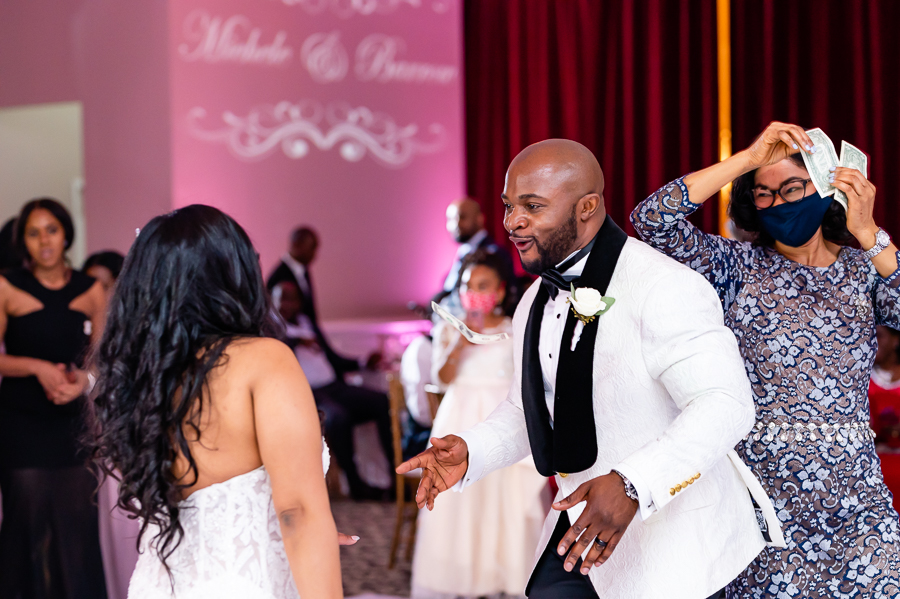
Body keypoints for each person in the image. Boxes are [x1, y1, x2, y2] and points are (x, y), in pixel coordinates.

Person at [399, 139, 779, 599]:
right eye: (508, 206)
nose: (512, 222)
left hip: (674, 546)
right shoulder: (532, 303)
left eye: (532, 206)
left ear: (588, 207)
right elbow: (528, 410)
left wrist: (632, 484)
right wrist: (472, 451)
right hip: (578, 533)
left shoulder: (663, 286)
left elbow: (726, 405)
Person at [630, 122, 900, 597]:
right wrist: (748, 159)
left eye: (791, 188)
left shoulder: (864, 269)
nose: (778, 203)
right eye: (763, 194)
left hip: (858, 499)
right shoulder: (734, 266)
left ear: (823, 186)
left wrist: (869, 232)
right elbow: (652, 220)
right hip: (763, 503)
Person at [88, 205, 344, 598]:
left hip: (161, 583)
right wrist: (311, 533)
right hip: (244, 584)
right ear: (231, 273)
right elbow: (298, 513)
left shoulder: (142, 376)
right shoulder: (264, 359)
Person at [411, 249, 547, 599]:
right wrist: (462, 337)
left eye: (484, 285)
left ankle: (503, 577)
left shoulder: (515, 327)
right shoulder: (449, 327)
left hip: (500, 416)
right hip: (460, 414)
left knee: (505, 498)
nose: (475, 292)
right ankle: (463, 579)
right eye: (468, 285)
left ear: (500, 291)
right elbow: (440, 377)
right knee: (459, 503)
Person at [0, 198, 108, 598]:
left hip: (73, 427)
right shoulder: (7, 285)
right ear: (22, 241)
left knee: (77, 528)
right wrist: (36, 367)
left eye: (51, 229)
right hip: (21, 424)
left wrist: (84, 380)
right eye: (33, 232)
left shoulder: (91, 289)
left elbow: (104, 361)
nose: (43, 240)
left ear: (66, 233)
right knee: (26, 526)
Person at [272, 279, 394, 500]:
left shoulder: (307, 323)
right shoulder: (272, 327)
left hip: (334, 386)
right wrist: (298, 341)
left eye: (292, 299)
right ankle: (356, 485)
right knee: (337, 417)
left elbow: (332, 357)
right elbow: (277, 345)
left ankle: (395, 478)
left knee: (382, 401)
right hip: (307, 394)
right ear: (273, 301)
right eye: (283, 299)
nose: (287, 304)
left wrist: (363, 362)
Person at [267, 227, 361, 376]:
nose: (315, 255)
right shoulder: (279, 276)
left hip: (311, 342)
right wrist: (299, 340)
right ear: (297, 245)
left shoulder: (303, 270)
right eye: (312, 248)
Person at [431, 198, 516, 318]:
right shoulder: (463, 251)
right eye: (451, 219)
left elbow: (509, 299)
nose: (456, 224)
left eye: (462, 217)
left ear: (479, 219)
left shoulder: (494, 254)